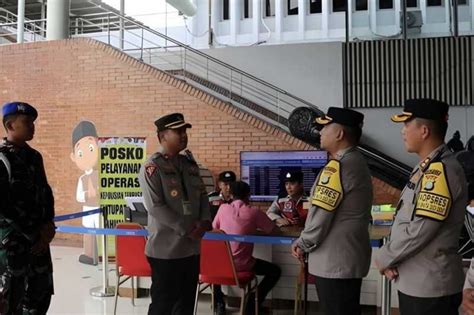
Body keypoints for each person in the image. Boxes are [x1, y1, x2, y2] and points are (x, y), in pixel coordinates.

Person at [375, 99, 468, 315]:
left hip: (429, 289)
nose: (402, 132)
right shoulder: (426, 167)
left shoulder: (439, 171)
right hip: (419, 281)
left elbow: (421, 230)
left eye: (407, 125)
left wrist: (385, 257)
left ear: (424, 130)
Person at [291, 107, 373, 315]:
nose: (320, 132)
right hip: (346, 260)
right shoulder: (356, 162)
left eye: (325, 127)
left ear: (339, 133)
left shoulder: (339, 166)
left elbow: (321, 214)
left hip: (334, 264)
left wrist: (303, 242)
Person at [138, 112, 212, 315]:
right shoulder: (152, 168)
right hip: (165, 251)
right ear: (162, 137)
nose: (183, 135)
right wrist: (188, 228)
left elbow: (203, 196)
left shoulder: (190, 165)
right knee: (163, 305)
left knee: (186, 305)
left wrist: (205, 221)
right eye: (177, 131)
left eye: (184, 131)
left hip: (191, 249)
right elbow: (155, 206)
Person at [0, 101, 56, 314]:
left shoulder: (34, 157)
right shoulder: (2, 157)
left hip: (40, 243)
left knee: (39, 298)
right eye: (27, 122)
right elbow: (4, 205)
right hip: (14, 245)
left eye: (33, 122)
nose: (32, 127)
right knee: (10, 301)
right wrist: (33, 233)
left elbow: (45, 193)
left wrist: (49, 226)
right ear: (11, 126)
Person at [213, 181, 281, 314]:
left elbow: (214, 230)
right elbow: (274, 231)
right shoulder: (254, 212)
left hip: (221, 266)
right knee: (275, 271)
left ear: (231, 194)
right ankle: (250, 307)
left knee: (218, 261)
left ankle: (219, 303)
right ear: (248, 195)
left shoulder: (222, 209)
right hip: (243, 266)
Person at [70, 120, 100, 265]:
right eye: (81, 152)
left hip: (100, 209)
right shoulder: (82, 179)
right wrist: (88, 195)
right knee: (88, 233)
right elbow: (79, 196)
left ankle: (102, 254)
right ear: (74, 157)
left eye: (91, 148)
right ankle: (89, 254)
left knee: (101, 232)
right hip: (88, 209)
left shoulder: (103, 175)